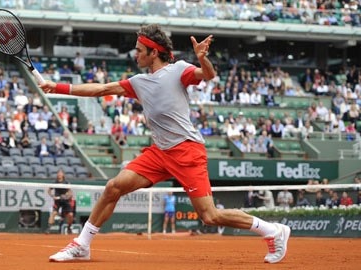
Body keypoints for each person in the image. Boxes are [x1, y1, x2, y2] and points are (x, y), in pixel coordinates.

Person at [40, 24, 290, 264]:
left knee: (209, 216)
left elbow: (209, 74)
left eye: (139, 50)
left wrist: (202, 57)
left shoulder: (179, 70)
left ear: (154, 52)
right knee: (113, 187)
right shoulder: (138, 82)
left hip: (187, 151)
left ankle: (272, 230)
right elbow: (101, 89)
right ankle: (82, 244)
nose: (135, 54)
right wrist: (57, 86)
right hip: (159, 153)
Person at [47, 169, 75, 234]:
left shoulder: (66, 182)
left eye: (60, 173)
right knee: (53, 213)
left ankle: (69, 228)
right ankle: (48, 228)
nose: (59, 174)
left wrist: (66, 196)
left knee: (70, 215)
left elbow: (70, 192)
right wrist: (53, 196)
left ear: (63, 175)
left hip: (66, 201)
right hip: (58, 201)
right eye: (58, 173)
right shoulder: (54, 183)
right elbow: (49, 190)